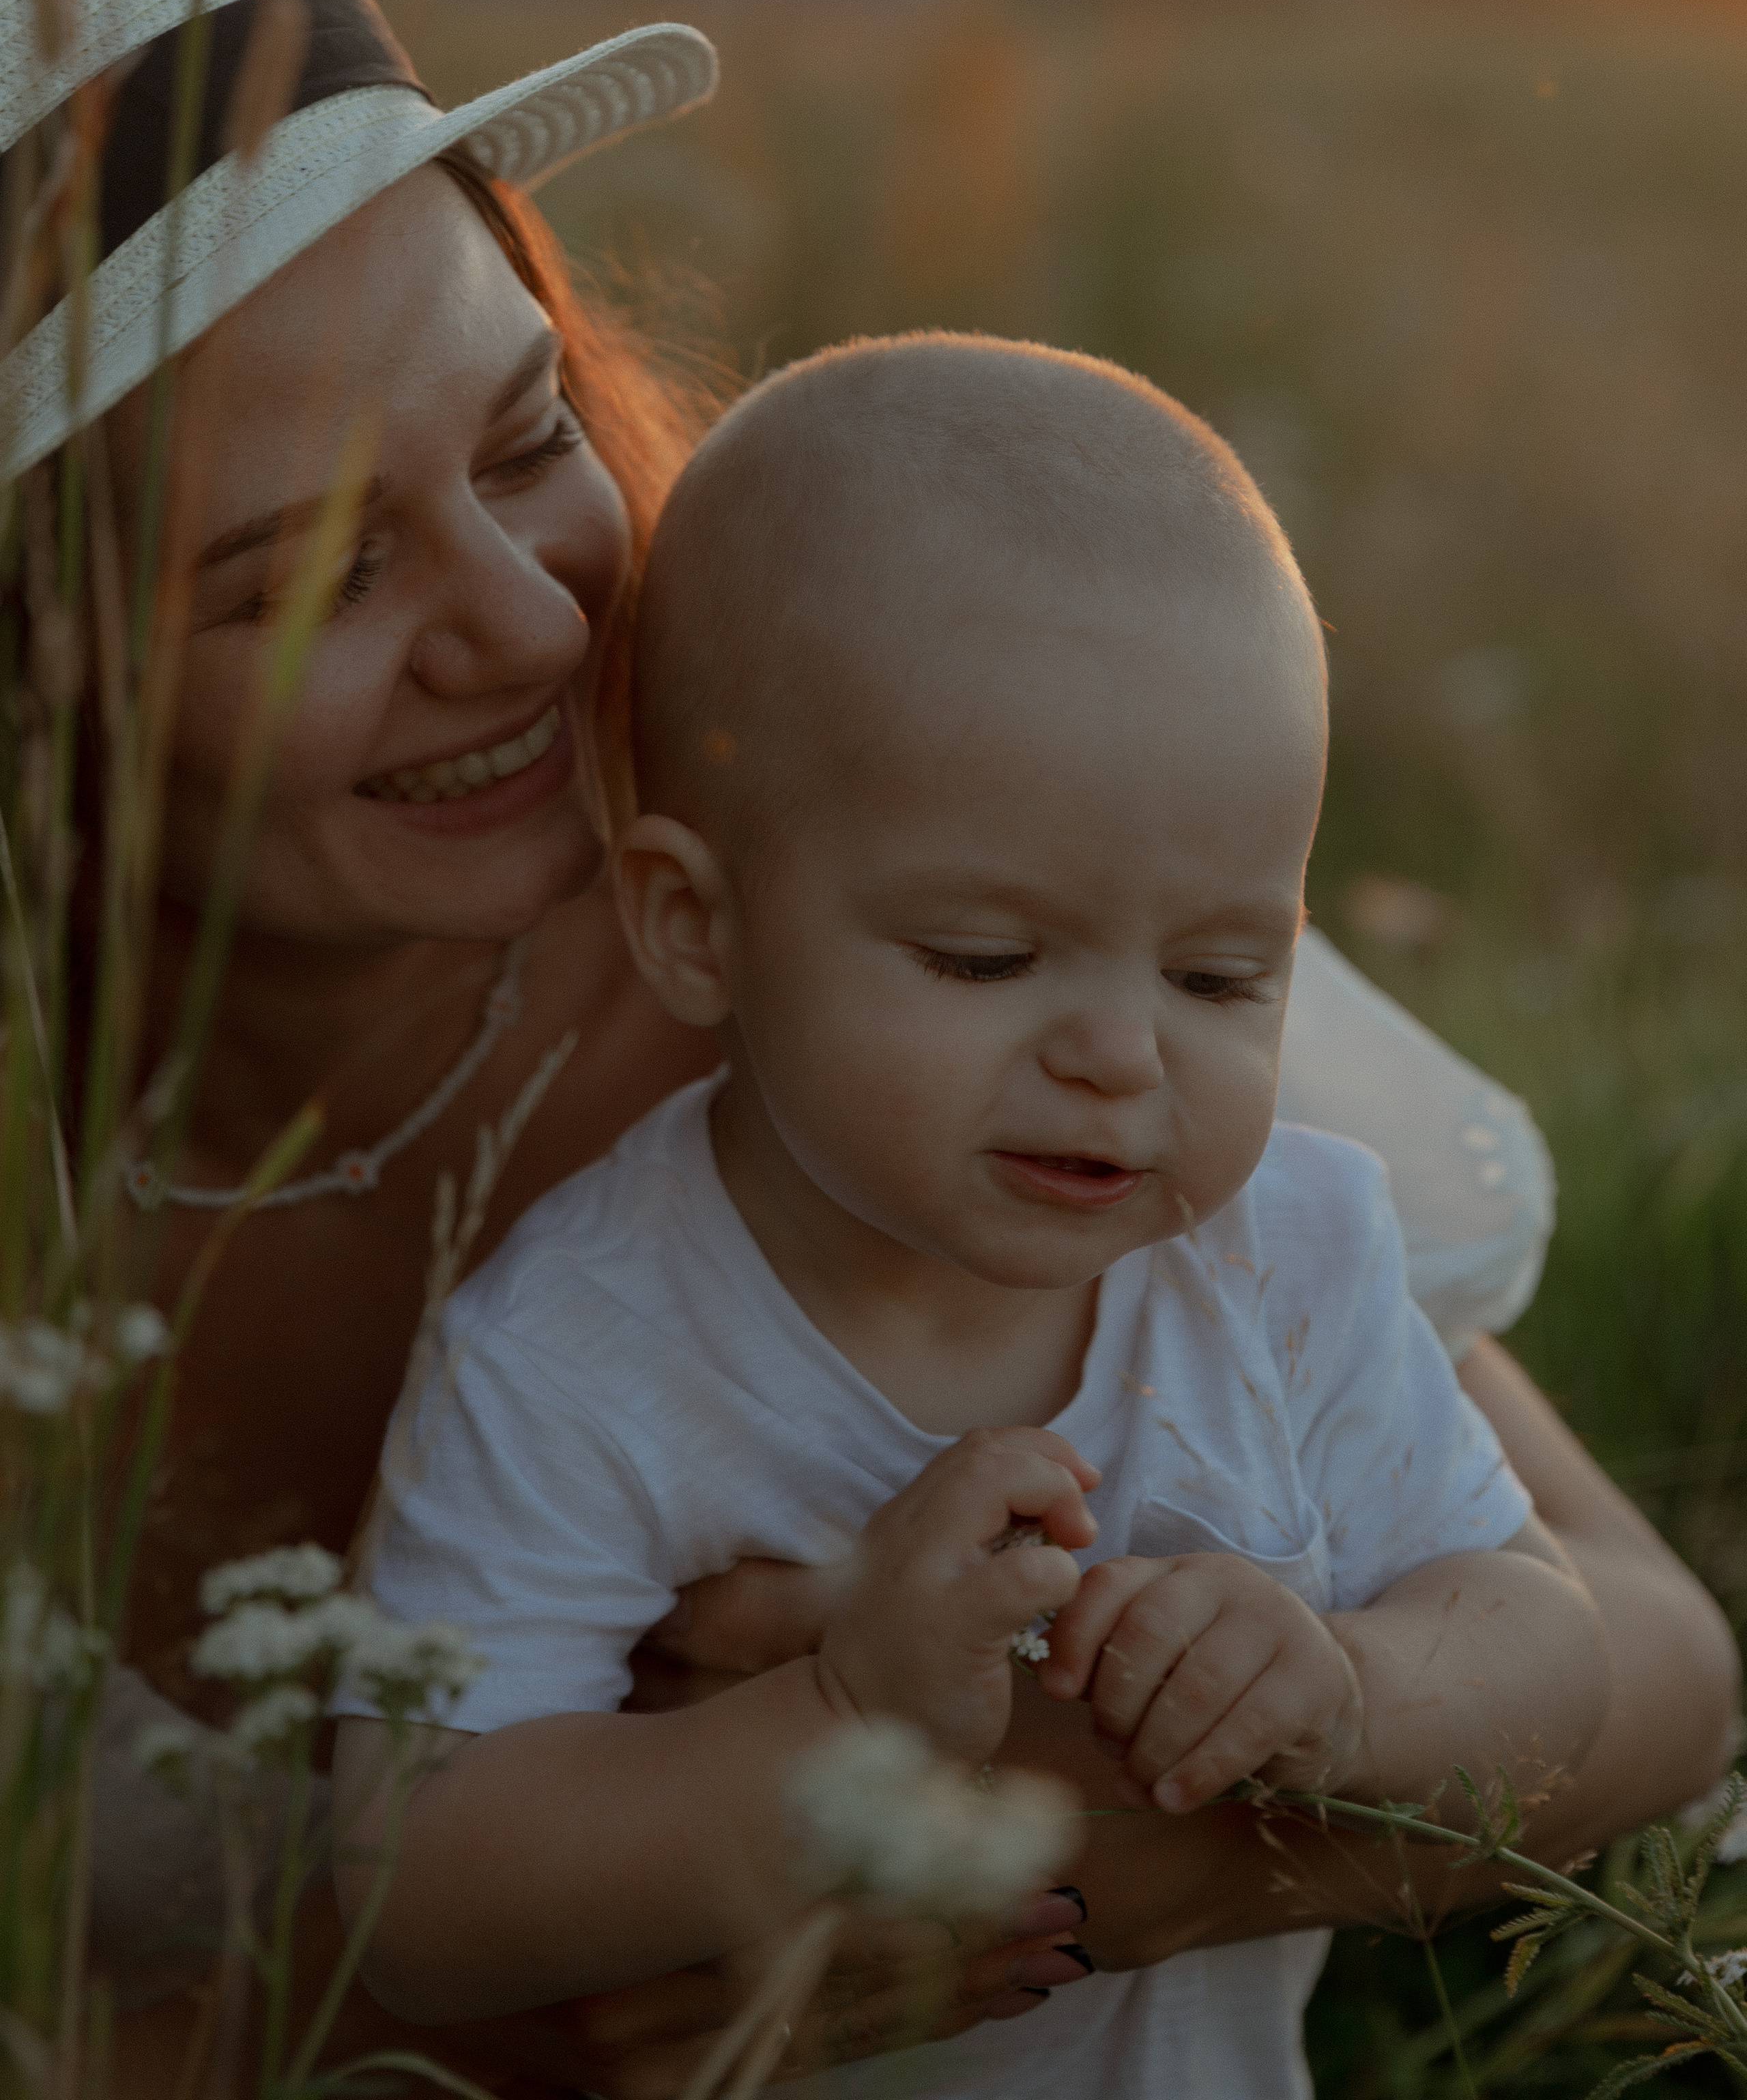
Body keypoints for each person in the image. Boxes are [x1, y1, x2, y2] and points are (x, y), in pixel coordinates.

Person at [0, 0, 1731, 2099]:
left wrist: (1121, 1859)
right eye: (307, 575)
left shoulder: (948, 924)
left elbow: (1650, 1663)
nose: (533, 627)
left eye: (527, 439)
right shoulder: (572, 1317)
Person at [332, 338, 1611, 2098]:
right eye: (984, 958)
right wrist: (838, 1718)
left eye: (1224, 973)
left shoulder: (1283, 1259)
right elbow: (417, 1883)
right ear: (697, 927)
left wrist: (1347, 1691)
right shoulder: (581, 1349)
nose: (1116, 1055)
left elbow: (1560, 1653)